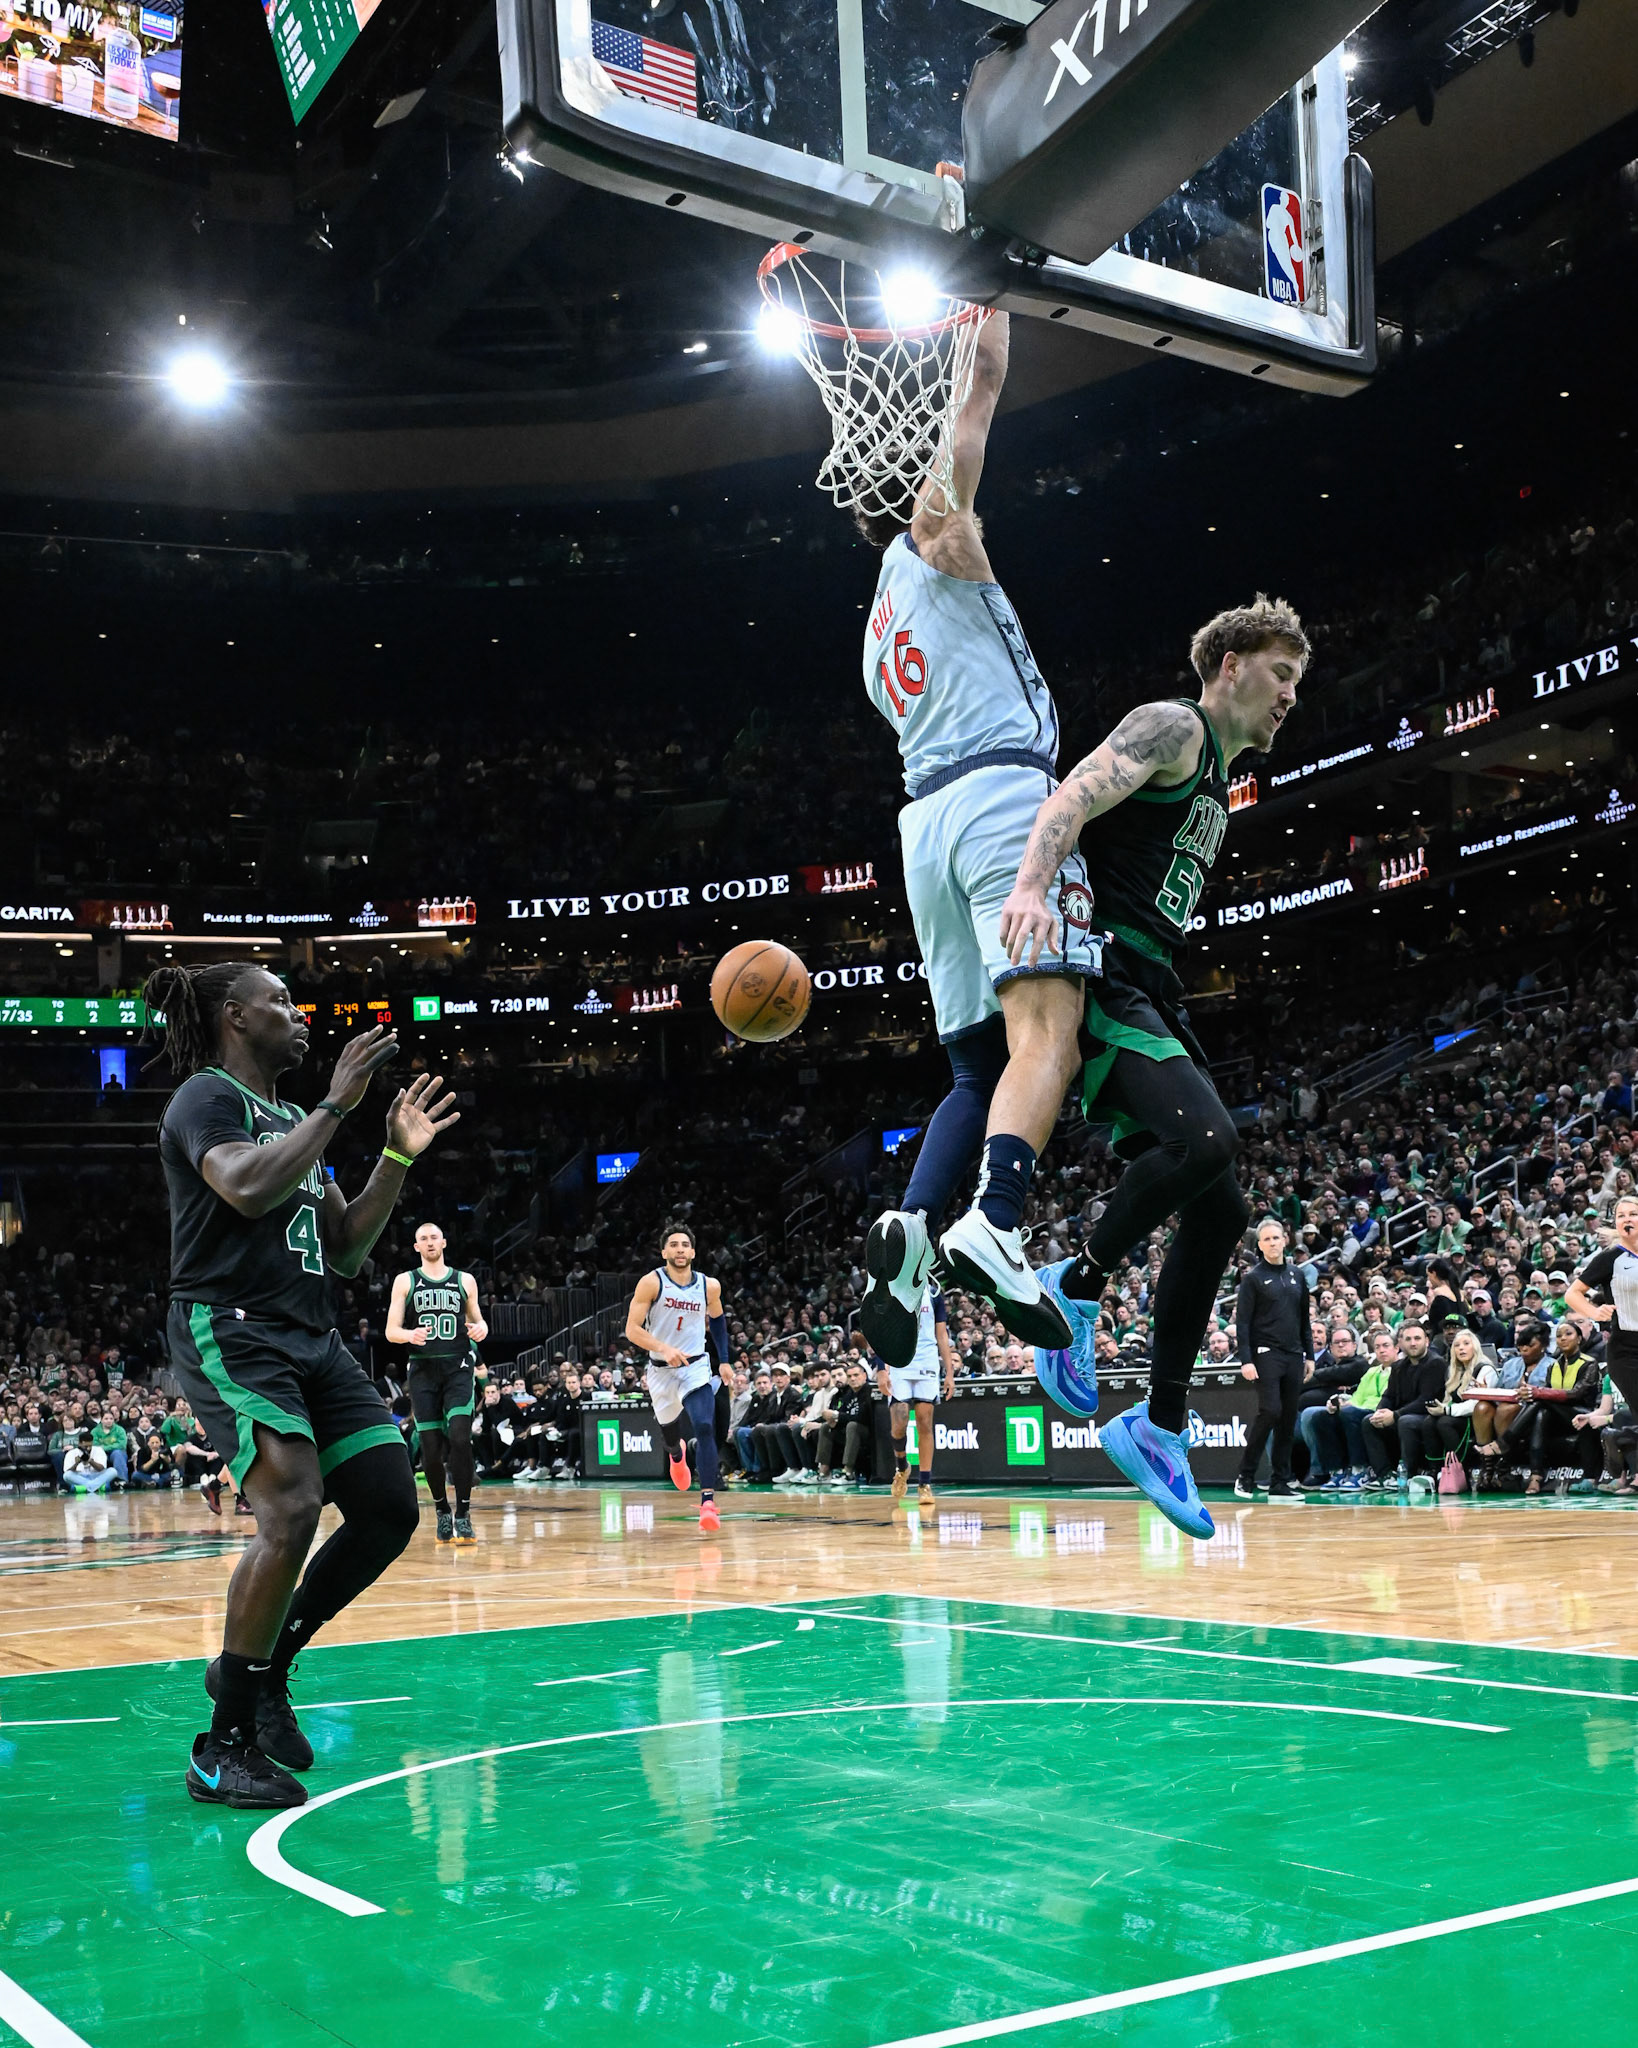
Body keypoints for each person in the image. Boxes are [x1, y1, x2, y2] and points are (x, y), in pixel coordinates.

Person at [1001, 596, 1310, 1536]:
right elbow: (1072, 796)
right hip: (1110, 976)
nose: (1291, 696)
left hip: (1157, 986)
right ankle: (1076, 1281)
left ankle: (1160, 1423)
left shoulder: (1221, 777)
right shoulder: (1175, 728)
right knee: (1210, 1143)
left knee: (1220, 1207)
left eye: (1298, 681)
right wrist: (1028, 887)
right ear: (1227, 666)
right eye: (1282, 674)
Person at [145, 961, 456, 1812]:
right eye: (280, 1001)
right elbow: (244, 1186)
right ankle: (223, 1744)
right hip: (231, 1327)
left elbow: (348, 1248)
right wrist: (337, 1106)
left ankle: (266, 1666)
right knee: (289, 1506)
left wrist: (393, 1153)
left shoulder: (294, 1120)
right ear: (237, 1019)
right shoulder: (206, 1098)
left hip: (312, 1338)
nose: (299, 1012)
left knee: (391, 1505)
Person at [854, 305, 1086, 1372]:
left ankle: (908, 1230)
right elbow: (981, 384)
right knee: (1048, 1032)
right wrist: (985, 279)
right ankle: (995, 1219)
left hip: (921, 826)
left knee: (970, 1067)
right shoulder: (940, 538)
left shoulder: (874, 630)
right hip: (999, 800)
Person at [623, 1224, 729, 1534]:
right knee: (670, 1436)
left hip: (695, 1366)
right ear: (664, 1252)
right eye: (674, 1244)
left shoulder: (709, 1286)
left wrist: (723, 1361)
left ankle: (708, 1502)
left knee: (705, 1426)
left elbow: (719, 1320)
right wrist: (663, 1347)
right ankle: (676, 1454)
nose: (680, 1248)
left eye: (685, 1244)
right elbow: (632, 1329)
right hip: (661, 1370)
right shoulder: (651, 1282)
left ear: (693, 1252)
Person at [386, 1221, 488, 1546]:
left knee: (459, 1437)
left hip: (458, 1367)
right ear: (416, 1247)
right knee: (430, 1449)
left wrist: (481, 1328)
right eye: (423, 1239)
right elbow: (391, 1330)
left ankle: (464, 1513)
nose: (429, 1242)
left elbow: (478, 1320)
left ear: (443, 1242)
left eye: (434, 1237)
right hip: (423, 1370)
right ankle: (442, 1509)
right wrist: (408, 1334)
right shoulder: (406, 1280)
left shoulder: (464, 1280)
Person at [1232, 1218, 1312, 1502]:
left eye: (1276, 1238)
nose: (1272, 1243)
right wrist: (1246, 1359)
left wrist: (1310, 1355)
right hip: (1265, 1354)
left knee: (1288, 1419)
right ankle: (1246, 1474)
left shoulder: (1297, 1275)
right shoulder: (1253, 1278)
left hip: (1293, 1355)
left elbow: (1305, 1319)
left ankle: (1280, 1480)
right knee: (1270, 1411)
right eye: (1266, 1239)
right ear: (1261, 1244)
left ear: (1285, 1239)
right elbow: (1243, 1323)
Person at [885, 1281, 957, 1512]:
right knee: (899, 1423)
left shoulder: (934, 1291)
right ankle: (902, 1466)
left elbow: (942, 1334)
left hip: (926, 1359)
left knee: (925, 1422)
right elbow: (881, 1330)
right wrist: (881, 1369)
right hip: (899, 1359)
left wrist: (949, 1372)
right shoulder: (893, 1288)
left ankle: (925, 1483)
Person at [1565, 1193, 1638, 1410]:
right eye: (1621, 1216)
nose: (1627, 1219)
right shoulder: (1610, 1258)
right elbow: (1572, 1293)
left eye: (1633, 1214)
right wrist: (1594, 1313)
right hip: (1627, 1350)